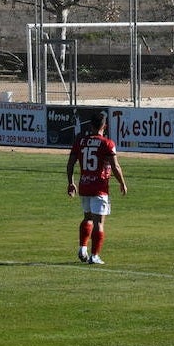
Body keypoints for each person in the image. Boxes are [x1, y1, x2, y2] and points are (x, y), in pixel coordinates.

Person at [67, 112, 128, 265]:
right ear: (104, 126)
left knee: (87, 218)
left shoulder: (80, 141)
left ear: (90, 125)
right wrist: (122, 182)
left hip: (84, 185)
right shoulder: (107, 143)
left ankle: (82, 248)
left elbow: (70, 163)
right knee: (99, 222)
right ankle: (94, 256)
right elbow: (115, 166)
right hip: (99, 187)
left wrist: (70, 182)